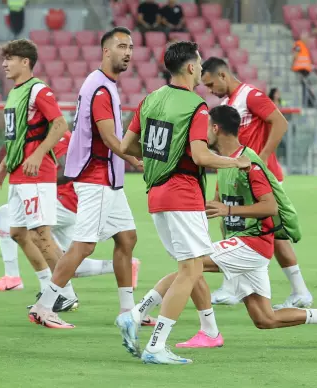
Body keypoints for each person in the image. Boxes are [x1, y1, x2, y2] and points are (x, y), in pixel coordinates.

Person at [119, 105, 317, 361]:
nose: (201, 135)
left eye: (205, 128)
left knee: (190, 266)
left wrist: (227, 210)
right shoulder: (224, 163)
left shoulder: (249, 164)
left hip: (254, 244)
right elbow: (219, 202)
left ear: (215, 128)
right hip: (241, 244)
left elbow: (270, 207)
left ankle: (137, 313)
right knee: (264, 318)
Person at [115, 41, 251, 365]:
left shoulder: (150, 99)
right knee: (191, 270)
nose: (202, 69)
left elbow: (126, 145)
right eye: (200, 64)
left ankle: (135, 315)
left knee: (186, 269)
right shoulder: (196, 106)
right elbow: (202, 156)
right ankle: (156, 345)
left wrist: (150, 161)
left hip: (157, 194)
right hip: (183, 192)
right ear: (191, 67)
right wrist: (236, 162)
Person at [28, 27, 141, 328]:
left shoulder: (100, 83)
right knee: (83, 246)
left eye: (130, 47)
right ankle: (44, 305)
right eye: (121, 46)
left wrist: (128, 159)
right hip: (97, 177)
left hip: (107, 177)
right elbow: (110, 138)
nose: (127, 52)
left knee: (127, 237)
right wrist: (137, 158)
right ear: (106, 51)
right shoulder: (102, 89)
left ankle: (127, 311)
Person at [201, 57, 314, 309]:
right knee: (231, 225)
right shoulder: (226, 104)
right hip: (235, 177)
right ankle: (234, 287)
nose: (210, 90)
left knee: (271, 234)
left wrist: (260, 159)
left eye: (210, 84)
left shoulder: (250, 95)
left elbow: (280, 123)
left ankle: (300, 291)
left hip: (259, 178)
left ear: (222, 75)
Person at [0, 130, 141, 292]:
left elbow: (68, 170)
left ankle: (16, 278)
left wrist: (39, 180)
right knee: (69, 262)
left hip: (65, 201)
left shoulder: (53, 136)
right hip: (70, 203)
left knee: (6, 214)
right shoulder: (53, 133)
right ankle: (127, 265)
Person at [0, 39, 77, 313]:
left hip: (36, 175)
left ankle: (65, 293)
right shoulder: (15, 93)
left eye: (10, 58)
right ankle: (48, 286)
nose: (4, 63)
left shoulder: (38, 90)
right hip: (18, 174)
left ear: (25, 62)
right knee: (17, 232)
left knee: (41, 235)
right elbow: (17, 138)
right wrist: (3, 166)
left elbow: (60, 123)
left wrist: (38, 154)